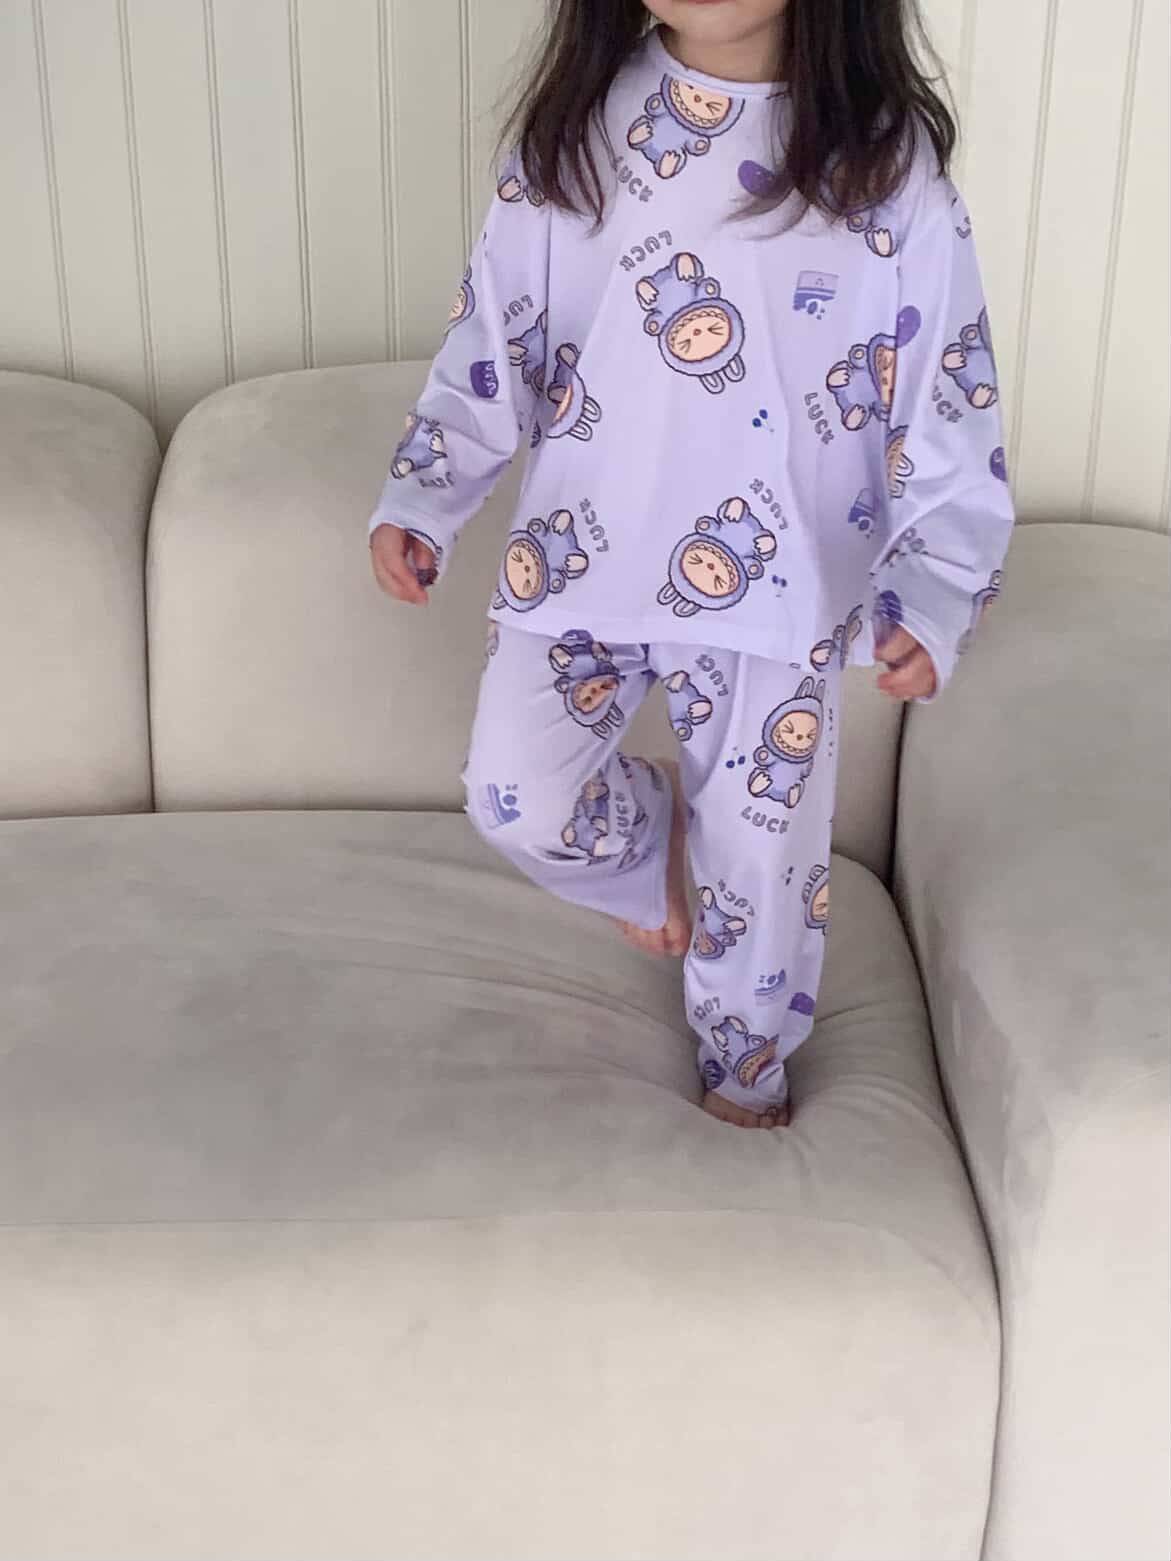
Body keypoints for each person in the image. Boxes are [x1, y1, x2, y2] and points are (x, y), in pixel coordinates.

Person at [367, 0, 1015, 1130]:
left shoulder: (880, 162)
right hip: (582, 553)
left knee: (760, 864)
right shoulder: (578, 125)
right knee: (515, 796)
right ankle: (646, 842)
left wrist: (937, 586)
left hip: (781, 582)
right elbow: (497, 336)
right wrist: (429, 490)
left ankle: (745, 1074)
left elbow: (946, 394)